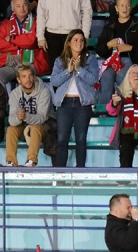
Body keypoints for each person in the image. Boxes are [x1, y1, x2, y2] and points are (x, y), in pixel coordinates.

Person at [50, 29, 99, 168]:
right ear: (69, 43)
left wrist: (79, 69)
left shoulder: (91, 59)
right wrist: (68, 71)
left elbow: (93, 79)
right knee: (62, 139)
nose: (79, 43)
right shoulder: (60, 60)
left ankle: (80, 172)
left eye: (81, 40)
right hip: (64, 103)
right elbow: (54, 81)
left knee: (81, 139)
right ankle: (60, 173)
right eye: (75, 40)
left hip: (82, 104)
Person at [2, 64, 55, 167]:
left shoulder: (44, 92)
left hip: (44, 128)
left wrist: (26, 116)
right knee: (11, 129)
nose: (28, 79)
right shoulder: (14, 94)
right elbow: (11, 120)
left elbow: (42, 118)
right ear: (18, 80)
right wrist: (18, 117)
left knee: (35, 128)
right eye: (24, 76)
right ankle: (11, 162)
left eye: (30, 75)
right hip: (24, 126)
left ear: (34, 77)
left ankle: (31, 161)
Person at [0, 0, 51, 93]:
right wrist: (21, 45)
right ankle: (3, 102)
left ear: (28, 6)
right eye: (18, 6)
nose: (22, 8)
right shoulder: (6, 23)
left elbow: (32, 41)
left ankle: (29, 102)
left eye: (24, 5)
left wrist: (11, 39)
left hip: (31, 63)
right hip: (11, 64)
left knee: (25, 75)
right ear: (13, 8)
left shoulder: (36, 21)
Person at [95, 0, 138, 104]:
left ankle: (123, 107)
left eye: (127, 5)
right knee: (106, 76)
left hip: (131, 60)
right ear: (116, 9)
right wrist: (108, 45)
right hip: (112, 61)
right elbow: (99, 49)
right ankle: (104, 108)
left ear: (131, 7)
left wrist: (130, 48)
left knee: (122, 75)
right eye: (122, 6)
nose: (125, 8)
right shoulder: (109, 26)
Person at [37, 0, 92, 71]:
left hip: (73, 34)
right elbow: (41, 13)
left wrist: (85, 35)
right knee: (55, 70)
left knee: (74, 68)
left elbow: (87, 11)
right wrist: (40, 36)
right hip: (51, 35)